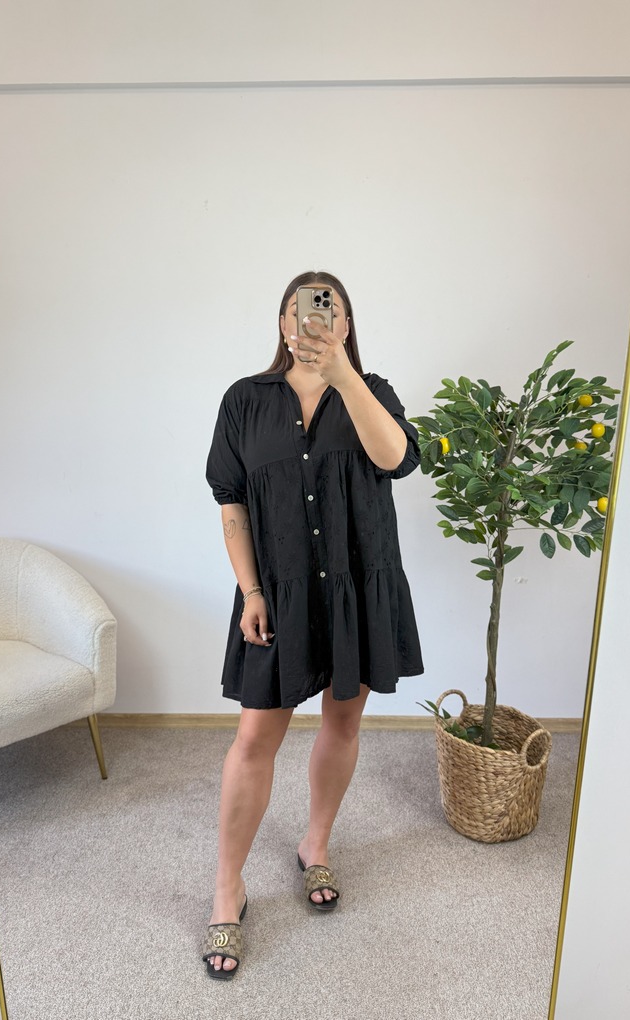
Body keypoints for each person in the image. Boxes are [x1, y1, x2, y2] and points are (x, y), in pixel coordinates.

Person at [202, 270, 423, 978]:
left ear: (346, 325)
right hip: (279, 593)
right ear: (282, 322)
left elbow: (395, 458)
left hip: (356, 589)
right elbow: (232, 502)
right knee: (253, 738)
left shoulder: (372, 391)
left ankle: (315, 844)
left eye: (331, 312)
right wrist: (250, 590)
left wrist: (342, 374)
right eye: (301, 311)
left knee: (343, 720)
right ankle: (227, 887)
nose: (314, 322)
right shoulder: (244, 400)